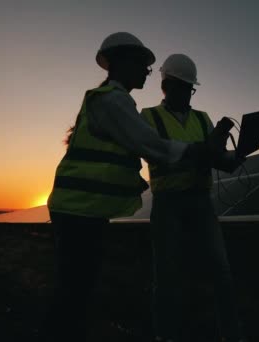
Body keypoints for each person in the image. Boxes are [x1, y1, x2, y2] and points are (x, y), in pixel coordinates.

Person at [42, 33, 228, 342]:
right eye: (143, 65)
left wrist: (217, 153)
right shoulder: (112, 101)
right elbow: (151, 145)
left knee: (76, 291)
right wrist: (199, 151)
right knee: (73, 294)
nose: (146, 72)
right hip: (78, 209)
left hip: (85, 208)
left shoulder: (113, 101)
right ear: (123, 62)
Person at [140, 54, 246, 342]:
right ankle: (166, 335)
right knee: (167, 277)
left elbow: (217, 157)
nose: (189, 93)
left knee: (221, 272)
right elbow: (158, 152)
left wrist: (235, 156)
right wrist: (206, 149)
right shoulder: (148, 117)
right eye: (185, 87)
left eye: (191, 88)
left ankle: (231, 335)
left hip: (201, 202)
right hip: (168, 205)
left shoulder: (202, 119)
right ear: (168, 86)